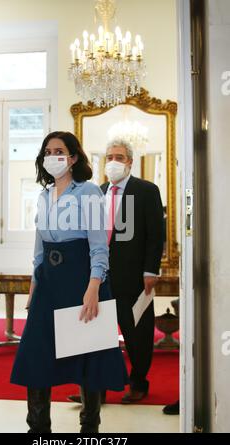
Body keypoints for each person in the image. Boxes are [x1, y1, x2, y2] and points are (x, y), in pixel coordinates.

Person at [10, 131, 127, 433]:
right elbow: (39, 248)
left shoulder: (88, 192)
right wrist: (33, 288)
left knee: (87, 354)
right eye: (47, 151)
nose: (52, 156)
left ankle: (89, 428)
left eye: (59, 151)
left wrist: (94, 288)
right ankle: (38, 430)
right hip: (48, 282)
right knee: (36, 356)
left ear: (73, 157)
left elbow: (99, 245)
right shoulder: (43, 195)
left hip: (81, 279)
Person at [68, 137, 164, 404]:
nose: (113, 162)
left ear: (130, 162)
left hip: (134, 277)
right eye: (109, 157)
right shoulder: (96, 192)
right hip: (100, 277)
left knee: (137, 334)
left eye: (119, 157)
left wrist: (150, 270)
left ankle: (138, 383)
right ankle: (95, 388)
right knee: (97, 333)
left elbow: (156, 235)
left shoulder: (146, 190)